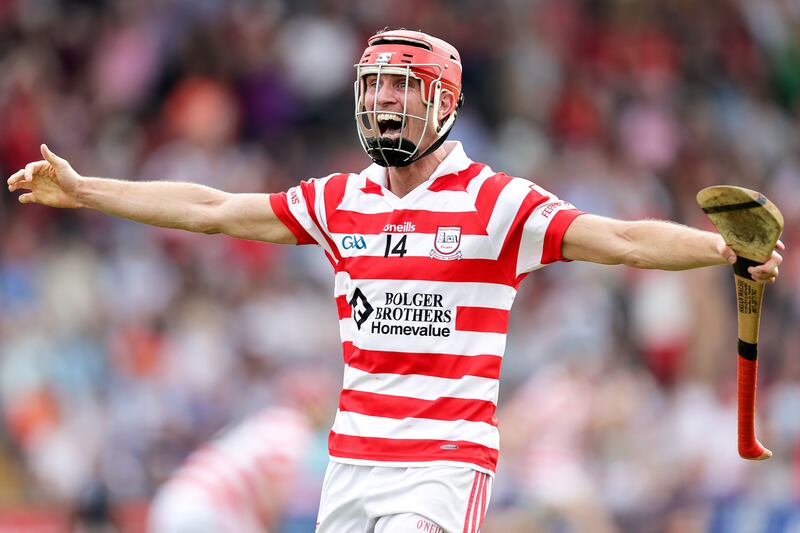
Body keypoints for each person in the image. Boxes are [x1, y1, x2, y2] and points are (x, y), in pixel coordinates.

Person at [6, 29, 784, 533]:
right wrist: (88, 190)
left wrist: (721, 250)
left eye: (400, 90)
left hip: (442, 462)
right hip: (352, 460)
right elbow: (212, 209)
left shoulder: (496, 201)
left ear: (444, 102)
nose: (381, 104)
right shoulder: (343, 199)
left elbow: (621, 239)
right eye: (373, 88)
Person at [147, 368, 333, 533]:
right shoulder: (293, 429)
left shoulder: (265, 422)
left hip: (171, 503)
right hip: (205, 511)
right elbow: (273, 497)